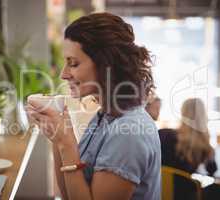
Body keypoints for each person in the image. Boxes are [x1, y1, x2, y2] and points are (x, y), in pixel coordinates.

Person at [26, 12, 161, 200]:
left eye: (73, 63)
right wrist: (58, 138)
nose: (63, 74)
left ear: (106, 65)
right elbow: (69, 194)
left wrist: (66, 142)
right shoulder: (104, 115)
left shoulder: (128, 133)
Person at [159, 98, 217, 175]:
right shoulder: (205, 145)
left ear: (183, 113)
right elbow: (212, 170)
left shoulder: (164, 134)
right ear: (203, 115)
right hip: (188, 185)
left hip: (162, 184)